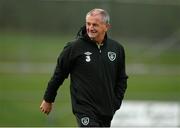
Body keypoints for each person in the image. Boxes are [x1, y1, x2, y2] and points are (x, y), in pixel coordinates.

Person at [40, 8, 128, 127]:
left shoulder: (117, 49)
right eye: (88, 24)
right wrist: (48, 99)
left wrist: (115, 102)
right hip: (84, 109)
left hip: (106, 111)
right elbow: (59, 74)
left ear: (106, 27)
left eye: (95, 25)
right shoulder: (74, 47)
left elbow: (121, 79)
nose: (90, 28)